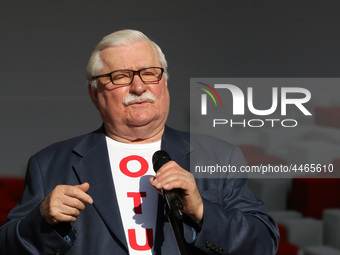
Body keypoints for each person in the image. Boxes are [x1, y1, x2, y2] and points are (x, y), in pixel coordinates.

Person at [0, 29, 279, 255]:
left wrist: (202, 211)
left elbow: (263, 243)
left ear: (164, 83)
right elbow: (8, 245)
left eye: (149, 73)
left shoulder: (218, 156)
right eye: (120, 76)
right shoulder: (49, 164)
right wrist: (43, 220)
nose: (138, 86)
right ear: (94, 93)